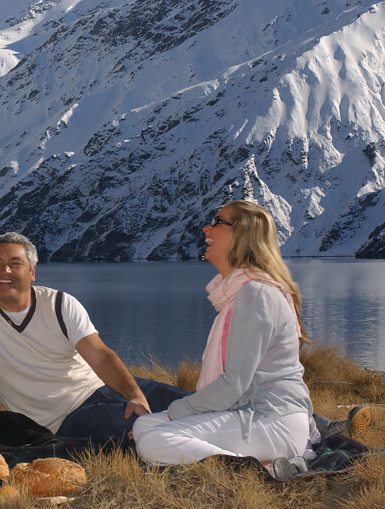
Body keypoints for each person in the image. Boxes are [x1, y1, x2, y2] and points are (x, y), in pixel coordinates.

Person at [0, 232, 187, 448]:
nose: (5, 271)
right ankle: (205, 452)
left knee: (192, 405)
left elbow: (100, 354)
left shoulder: (60, 304)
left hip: (102, 388)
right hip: (66, 418)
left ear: (32, 272)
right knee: (140, 429)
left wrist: (135, 394)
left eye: (15, 263)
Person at [132, 200, 315, 478]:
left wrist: (178, 410)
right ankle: (267, 462)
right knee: (143, 427)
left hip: (272, 421)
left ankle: (255, 470)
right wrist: (179, 413)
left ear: (243, 234)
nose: (206, 227)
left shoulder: (256, 295)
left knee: (153, 439)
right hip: (254, 416)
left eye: (218, 222)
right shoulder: (244, 292)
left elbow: (234, 386)